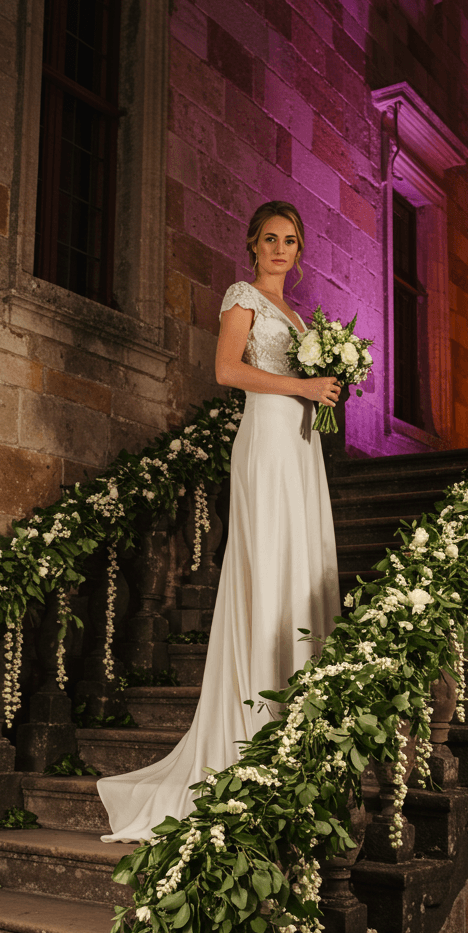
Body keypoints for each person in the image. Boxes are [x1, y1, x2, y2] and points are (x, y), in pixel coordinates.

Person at [97, 201, 341, 842]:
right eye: (270, 239)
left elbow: (298, 377)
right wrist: (302, 387)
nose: (281, 249)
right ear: (253, 246)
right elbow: (226, 371)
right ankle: (256, 719)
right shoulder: (244, 297)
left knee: (300, 563)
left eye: (291, 240)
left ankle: (298, 706)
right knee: (267, 561)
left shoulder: (296, 314)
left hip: (301, 444)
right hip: (265, 438)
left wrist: (330, 386)